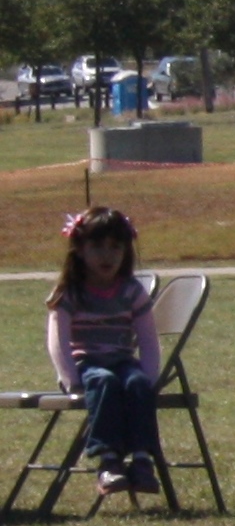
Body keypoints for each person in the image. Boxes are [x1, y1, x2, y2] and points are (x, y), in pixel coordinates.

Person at [47, 206, 162, 499]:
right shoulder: (71, 292)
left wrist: (149, 377)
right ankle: (108, 460)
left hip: (123, 361)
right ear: (80, 250)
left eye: (115, 247)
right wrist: (70, 378)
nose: (107, 255)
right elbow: (57, 339)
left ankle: (141, 460)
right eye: (97, 247)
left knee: (135, 383)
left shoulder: (131, 291)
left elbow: (148, 339)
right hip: (86, 365)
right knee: (104, 381)